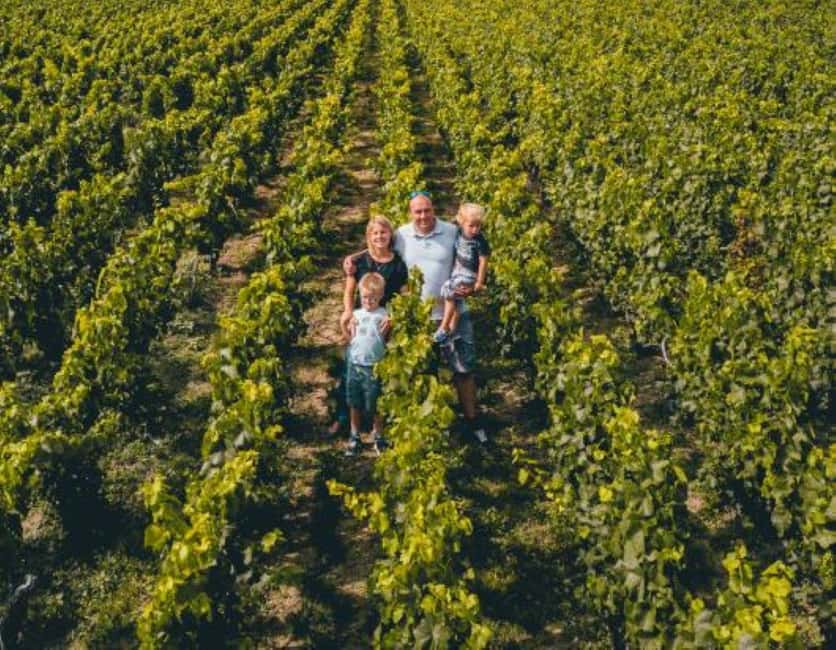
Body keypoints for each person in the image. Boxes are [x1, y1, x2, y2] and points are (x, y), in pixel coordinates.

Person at [344, 191, 488, 444]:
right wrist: (352, 258)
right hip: (418, 318)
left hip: (453, 312)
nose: (423, 216)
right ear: (411, 214)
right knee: (424, 372)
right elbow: (377, 244)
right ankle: (424, 424)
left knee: (462, 369)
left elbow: (476, 249)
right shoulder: (402, 235)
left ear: (434, 210)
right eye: (417, 211)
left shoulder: (451, 232)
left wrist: (475, 284)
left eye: (427, 210)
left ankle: (473, 423)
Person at [328, 216, 408, 436]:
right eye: (375, 233)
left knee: (380, 373)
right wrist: (347, 312)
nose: (379, 237)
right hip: (360, 321)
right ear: (369, 236)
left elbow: (404, 294)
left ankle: (378, 422)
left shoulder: (398, 264)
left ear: (390, 235)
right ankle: (342, 418)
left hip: (384, 324)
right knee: (349, 370)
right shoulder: (360, 261)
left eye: (383, 232)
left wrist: (395, 318)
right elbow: (349, 291)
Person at [341, 272, 389, 456]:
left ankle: (378, 436)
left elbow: (386, 338)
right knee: (354, 401)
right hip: (355, 363)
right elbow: (350, 339)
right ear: (360, 295)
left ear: (381, 296)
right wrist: (343, 326)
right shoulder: (356, 314)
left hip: (374, 365)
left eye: (374, 298)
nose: (369, 301)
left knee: (376, 403)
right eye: (365, 297)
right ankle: (354, 436)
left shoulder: (384, 315)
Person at [433, 203, 490, 346]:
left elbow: (483, 262)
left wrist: (479, 282)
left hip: (469, 274)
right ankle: (451, 330)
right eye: (471, 225)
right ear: (462, 222)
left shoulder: (479, 240)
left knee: (449, 290)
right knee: (456, 300)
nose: (475, 229)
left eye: (478, 226)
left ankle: (444, 326)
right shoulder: (458, 231)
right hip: (457, 271)